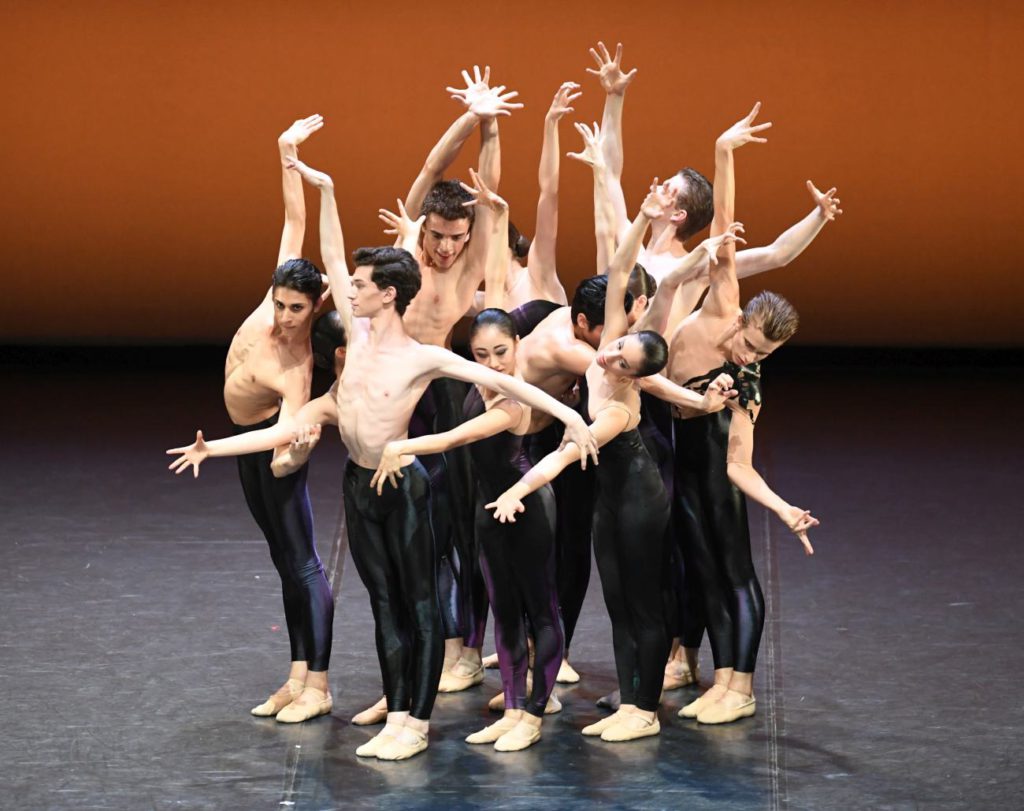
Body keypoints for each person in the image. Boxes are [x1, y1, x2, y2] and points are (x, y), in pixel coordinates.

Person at [173, 154, 598, 760]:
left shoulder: (421, 356)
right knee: (382, 604)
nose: (349, 289)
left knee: (418, 602)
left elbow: (515, 384)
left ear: (388, 295)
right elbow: (331, 257)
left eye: (363, 285)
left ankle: (416, 724)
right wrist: (212, 447)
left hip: (404, 487)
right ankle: (396, 710)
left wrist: (572, 417)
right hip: (358, 483)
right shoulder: (357, 332)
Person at [487, 185, 737, 742]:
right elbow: (622, 270)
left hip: (638, 497)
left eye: (619, 358)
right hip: (612, 498)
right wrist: (640, 220)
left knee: (641, 600)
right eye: (615, 347)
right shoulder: (619, 353)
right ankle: (630, 698)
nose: (607, 353)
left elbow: (565, 454)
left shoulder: (620, 405)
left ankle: (644, 708)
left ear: (632, 373)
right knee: (619, 600)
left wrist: (517, 489)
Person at [168, 114, 336, 724]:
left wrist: (214, 449)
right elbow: (294, 220)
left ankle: (317, 684)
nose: (285, 318)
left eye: (298, 309)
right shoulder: (275, 298)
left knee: (304, 562)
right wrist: (285, 150)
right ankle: (294, 677)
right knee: (280, 563)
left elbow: (288, 431)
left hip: (271, 450)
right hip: (245, 443)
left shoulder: (296, 360)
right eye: (281, 304)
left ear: (316, 305)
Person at [659, 105, 821, 726]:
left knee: (733, 574)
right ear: (744, 318)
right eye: (750, 344)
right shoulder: (723, 302)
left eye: (762, 354)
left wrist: (780, 508)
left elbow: (739, 465)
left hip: (715, 480)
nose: (748, 355)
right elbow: (726, 225)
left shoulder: (748, 385)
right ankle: (719, 677)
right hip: (683, 463)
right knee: (701, 575)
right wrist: (723, 150)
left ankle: (741, 686)